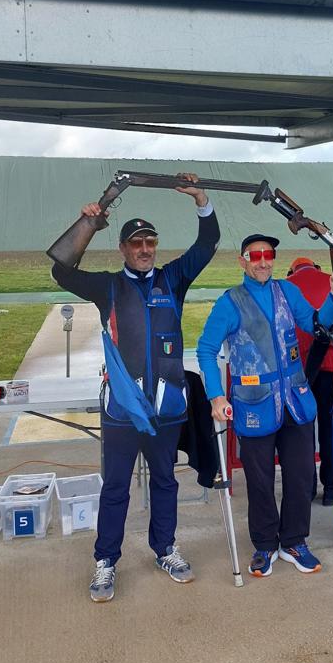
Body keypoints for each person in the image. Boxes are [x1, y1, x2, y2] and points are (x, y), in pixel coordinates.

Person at [51, 174, 219, 603]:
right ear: (123, 248)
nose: (144, 249)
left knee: (165, 483)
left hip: (166, 408)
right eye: (136, 243)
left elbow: (207, 244)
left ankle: (165, 549)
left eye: (150, 242)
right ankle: (106, 560)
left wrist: (201, 199)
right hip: (123, 409)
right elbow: (61, 270)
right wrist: (89, 223)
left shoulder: (173, 279)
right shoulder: (107, 285)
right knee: (115, 489)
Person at [197, 235, 333, 578]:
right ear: (243, 261)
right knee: (260, 481)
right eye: (256, 256)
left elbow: (317, 325)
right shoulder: (229, 302)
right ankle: (265, 545)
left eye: (269, 254)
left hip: (296, 401)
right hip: (255, 405)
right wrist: (216, 396)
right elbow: (206, 349)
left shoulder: (287, 291)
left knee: (301, 476)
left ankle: (294, 542)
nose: (264, 261)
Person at [286, 256, 333, 506]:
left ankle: (307, 489)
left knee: (303, 433)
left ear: (292, 270)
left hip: (299, 371)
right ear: (316, 267)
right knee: (329, 430)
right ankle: (331, 489)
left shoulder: (286, 286)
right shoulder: (330, 282)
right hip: (328, 368)